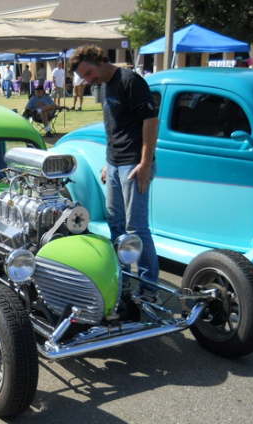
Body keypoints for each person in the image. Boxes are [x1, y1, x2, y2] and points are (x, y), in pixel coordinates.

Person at [70, 44, 159, 283]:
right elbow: (114, 129)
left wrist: (145, 163)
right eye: (84, 77)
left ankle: (148, 287)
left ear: (99, 60)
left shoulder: (131, 80)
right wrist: (107, 164)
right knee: (115, 223)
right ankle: (124, 282)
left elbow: (150, 121)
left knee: (136, 228)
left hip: (133, 165)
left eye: (89, 73)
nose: (88, 80)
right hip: (114, 163)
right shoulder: (106, 86)